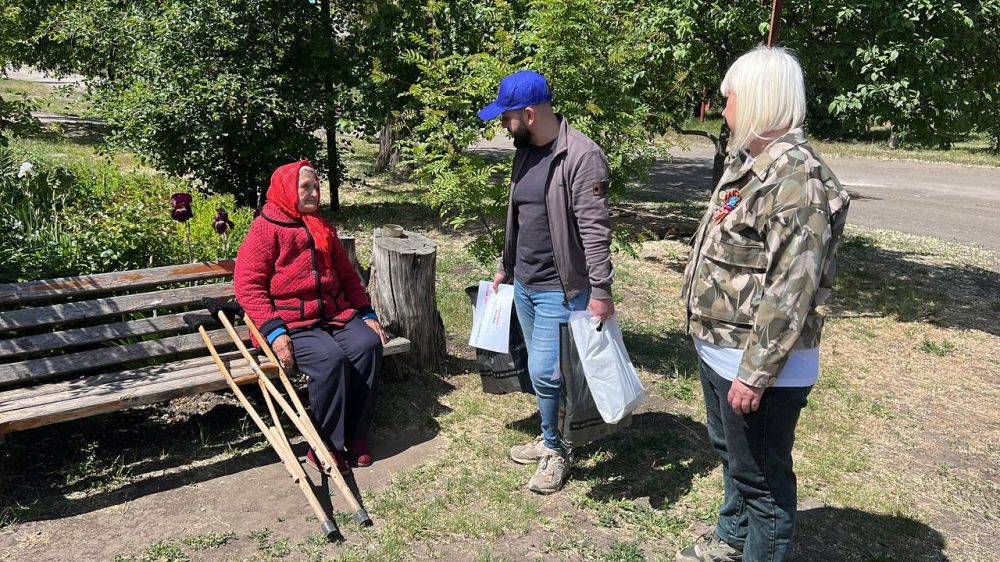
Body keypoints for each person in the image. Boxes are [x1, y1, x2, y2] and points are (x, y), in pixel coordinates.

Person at [676, 46, 851, 562]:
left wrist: (755, 374)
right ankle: (733, 538)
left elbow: (791, 287)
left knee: (764, 483)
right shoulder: (751, 163)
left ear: (755, 100)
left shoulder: (796, 178)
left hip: (760, 364)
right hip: (722, 349)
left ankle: (759, 548)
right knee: (734, 456)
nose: (723, 110)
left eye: (728, 99)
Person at [478, 70, 616, 494]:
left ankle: (559, 452)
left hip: (562, 286)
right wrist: (506, 266)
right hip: (526, 283)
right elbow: (519, 216)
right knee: (544, 375)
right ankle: (549, 436)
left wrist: (601, 290)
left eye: (507, 116)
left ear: (531, 114)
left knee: (547, 372)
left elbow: (595, 229)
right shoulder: (525, 152)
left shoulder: (581, 156)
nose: (502, 123)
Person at [234, 160, 388, 475]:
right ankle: (324, 444)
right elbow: (248, 287)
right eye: (306, 187)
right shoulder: (266, 228)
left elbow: (346, 276)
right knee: (329, 360)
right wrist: (275, 334)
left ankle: (355, 435)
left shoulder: (320, 224)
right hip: (288, 322)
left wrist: (366, 312)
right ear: (286, 189)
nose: (314, 193)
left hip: (332, 314)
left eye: (316, 186)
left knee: (367, 345)